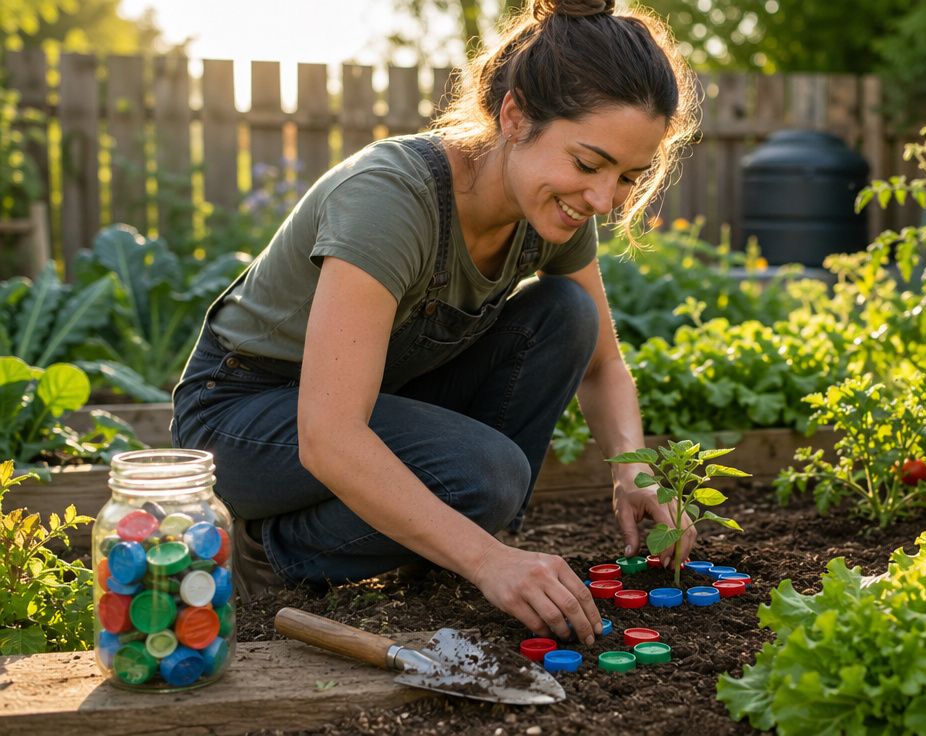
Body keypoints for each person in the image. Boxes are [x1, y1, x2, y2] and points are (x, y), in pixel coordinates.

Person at [170, 0, 699, 645]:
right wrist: (487, 562)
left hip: (373, 402)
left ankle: (444, 538)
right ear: (514, 115)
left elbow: (603, 363)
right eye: (589, 164)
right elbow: (329, 435)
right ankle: (271, 550)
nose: (602, 199)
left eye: (628, 176)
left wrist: (634, 467)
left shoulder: (551, 212)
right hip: (244, 416)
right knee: (483, 475)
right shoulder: (392, 200)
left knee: (566, 313)